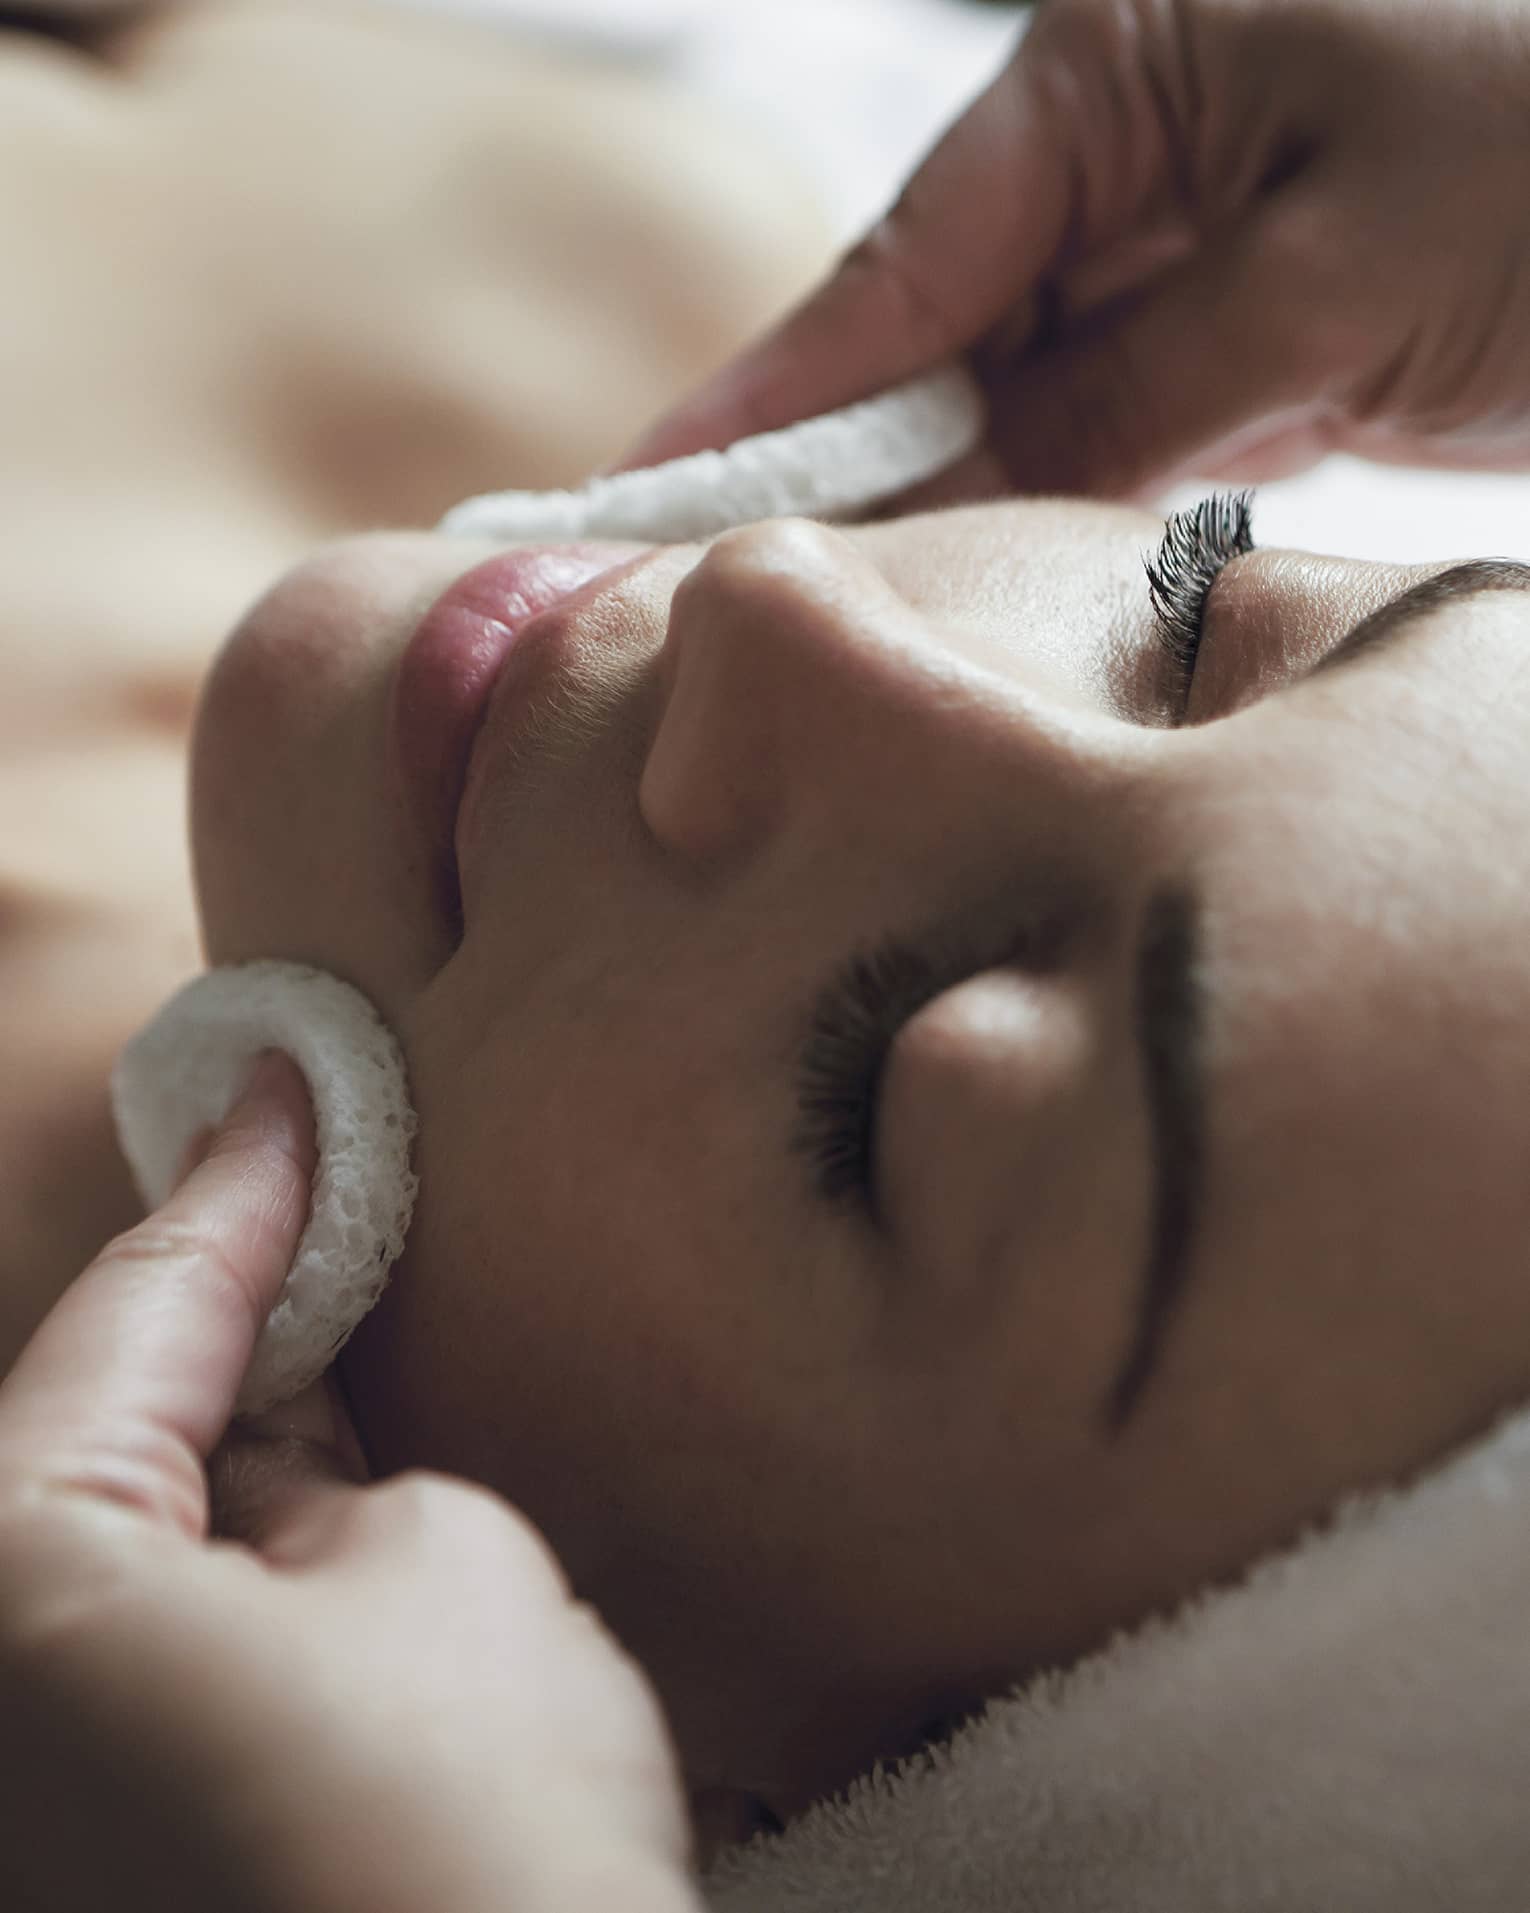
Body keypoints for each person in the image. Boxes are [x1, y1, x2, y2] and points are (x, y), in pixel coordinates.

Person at [7, 0, 1530, 1904]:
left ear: (718, 1789)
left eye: (887, 1090)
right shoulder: (701, 204)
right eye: (1195, 615)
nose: (781, 602)